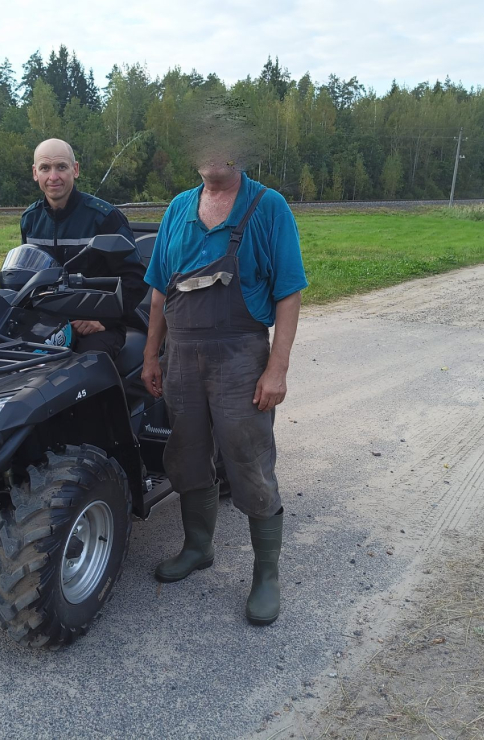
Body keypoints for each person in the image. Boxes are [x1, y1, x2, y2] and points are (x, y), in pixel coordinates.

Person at [141, 146, 307, 626]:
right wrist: (153, 355)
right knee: (186, 452)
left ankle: (266, 575)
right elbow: (158, 291)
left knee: (248, 459)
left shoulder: (267, 205)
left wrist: (277, 369)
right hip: (182, 354)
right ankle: (198, 547)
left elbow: (289, 294)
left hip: (239, 354)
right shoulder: (177, 208)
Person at [20, 138, 147, 360]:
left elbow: (135, 278)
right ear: (34, 173)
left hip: (97, 326)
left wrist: (103, 319)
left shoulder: (104, 218)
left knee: (84, 371)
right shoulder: (30, 219)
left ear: (75, 169)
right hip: (47, 325)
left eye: (61, 167)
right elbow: (26, 277)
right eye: (45, 168)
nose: (53, 177)